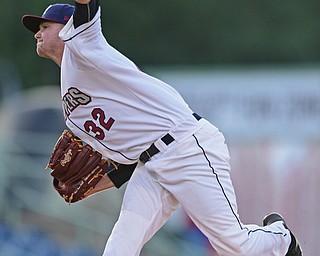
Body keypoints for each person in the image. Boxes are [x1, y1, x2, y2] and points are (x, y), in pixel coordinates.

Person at [22, 1, 302, 255]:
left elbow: (86, 7)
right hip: (150, 165)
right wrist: (90, 187)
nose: (38, 32)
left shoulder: (83, 45)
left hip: (187, 147)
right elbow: (125, 161)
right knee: (119, 248)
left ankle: (280, 236)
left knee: (235, 245)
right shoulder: (72, 105)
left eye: (45, 26)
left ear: (68, 27)